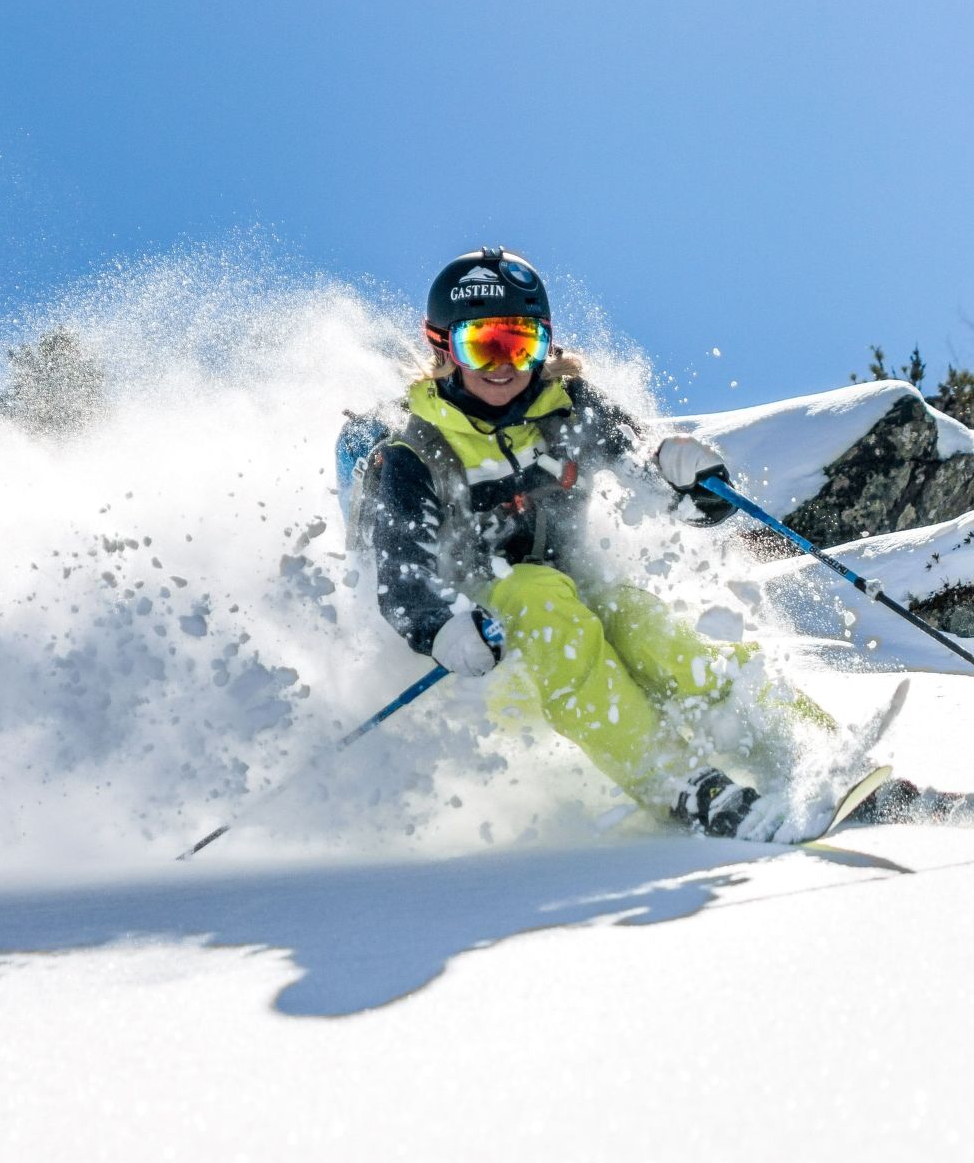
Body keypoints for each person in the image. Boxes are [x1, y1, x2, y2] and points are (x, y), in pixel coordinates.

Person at [336, 247, 831, 840]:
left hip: (570, 604)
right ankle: (680, 785)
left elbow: (652, 477)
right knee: (538, 592)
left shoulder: (571, 411)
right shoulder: (413, 451)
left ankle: (807, 750)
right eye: (482, 345)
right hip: (487, 651)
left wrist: (691, 481)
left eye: (519, 345)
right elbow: (399, 573)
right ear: (444, 348)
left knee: (640, 622)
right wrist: (439, 625)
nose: (503, 365)